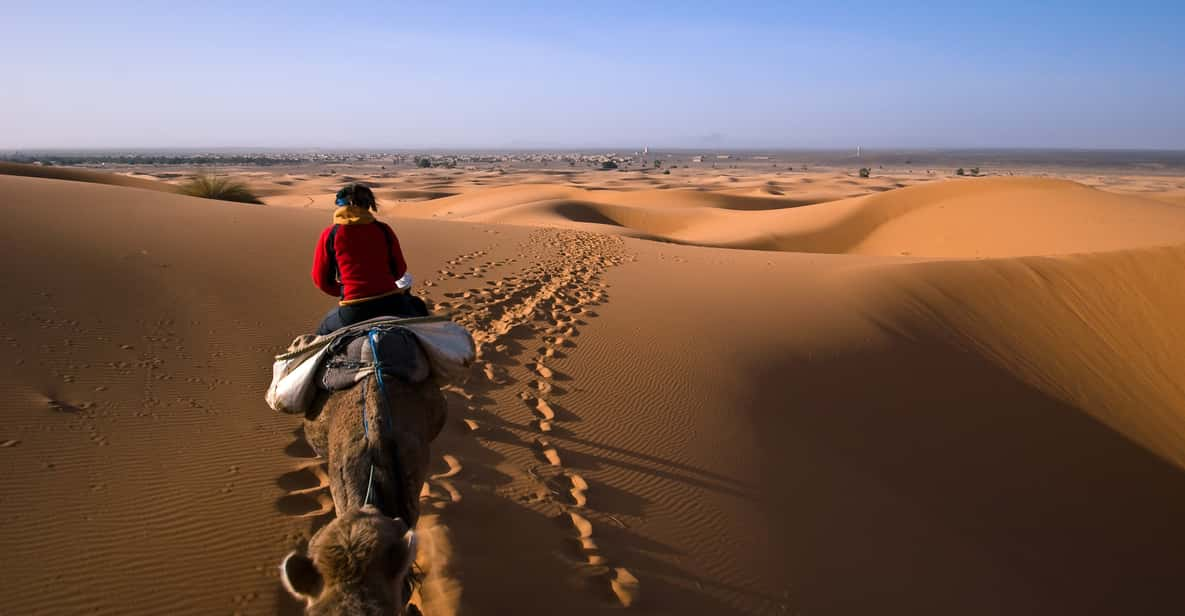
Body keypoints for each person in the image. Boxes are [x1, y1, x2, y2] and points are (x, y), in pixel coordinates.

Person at [312, 183, 428, 335]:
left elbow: (321, 280)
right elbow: (399, 269)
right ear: (369, 205)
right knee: (425, 323)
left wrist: (345, 289)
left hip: (354, 310)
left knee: (320, 336)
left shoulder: (331, 234)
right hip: (393, 303)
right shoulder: (383, 229)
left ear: (340, 206)